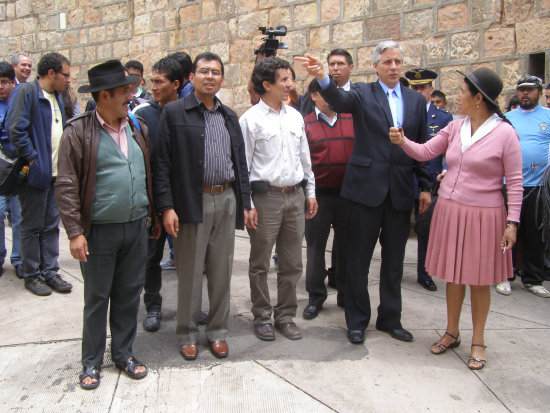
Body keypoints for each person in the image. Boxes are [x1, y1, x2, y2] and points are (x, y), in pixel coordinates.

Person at [297, 40, 432, 345]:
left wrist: (425, 185)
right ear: (375, 66)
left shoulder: (414, 101)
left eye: (398, 61)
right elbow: (337, 100)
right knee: (358, 259)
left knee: (395, 259)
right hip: (365, 191)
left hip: (398, 190)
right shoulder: (361, 94)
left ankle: (390, 318)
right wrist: (322, 78)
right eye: (387, 62)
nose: (394, 67)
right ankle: (357, 320)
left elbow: (421, 144)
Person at [389, 67, 523, 370]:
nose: (457, 97)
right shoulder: (455, 127)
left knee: (479, 281)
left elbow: (514, 183)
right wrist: (402, 142)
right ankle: (452, 331)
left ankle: (478, 340)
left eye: (463, 92)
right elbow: (424, 152)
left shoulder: (505, 133)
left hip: (484, 216)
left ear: (478, 98)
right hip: (450, 210)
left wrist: (512, 223)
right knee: (453, 276)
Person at [56, 60, 159, 390]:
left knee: (129, 294)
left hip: (135, 227)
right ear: (103, 97)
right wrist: (74, 232)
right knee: (98, 297)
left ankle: (124, 353)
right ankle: (91, 361)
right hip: (99, 231)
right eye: (123, 92)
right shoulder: (78, 132)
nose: (131, 96)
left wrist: (152, 215)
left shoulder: (136, 127)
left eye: (130, 90)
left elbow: (148, 175)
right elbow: (67, 184)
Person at [154, 52, 251, 361]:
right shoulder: (174, 113)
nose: (210, 76)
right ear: (192, 78)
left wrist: (245, 202)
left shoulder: (229, 116)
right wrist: (166, 206)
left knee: (221, 270)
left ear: (223, 79)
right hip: (190, 201)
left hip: (226, 198)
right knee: (191, 273)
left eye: (216, 72)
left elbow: (241, 163)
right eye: (204, 71)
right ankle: (186, 333)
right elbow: (161, 164)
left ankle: (218, 331)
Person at [240, 56, 317, 342]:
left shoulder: (295, 116)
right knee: (259, 263)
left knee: (292, 263)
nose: (290, 85)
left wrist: (310, 192)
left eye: (290, 79)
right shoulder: (250, 120)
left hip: (295, 196)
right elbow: (243, 167)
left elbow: (305, 160)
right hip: (265, 200)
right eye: (284, 80)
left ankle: (285, 316)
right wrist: (246, 205)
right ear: (266, 84)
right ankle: (261, 316)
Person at [5, 52, 73, 296]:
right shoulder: (26, 92)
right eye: (65, 74)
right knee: (32, 226)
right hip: (36, 174)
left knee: (51, 225)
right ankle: (32, 273)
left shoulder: (57, 97)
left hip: (56, 175)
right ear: (51, 73)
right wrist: (33, 159)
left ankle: (50, 270)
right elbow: (15, 129)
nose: (68, 79)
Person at [133, 57, 182, 332]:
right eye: (151, 81)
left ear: (175, 84)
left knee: (188, 257)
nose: (153, 87)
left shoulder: (188, 111)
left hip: (182, 201)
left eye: (159, 82)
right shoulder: (142, 114)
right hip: (153, 202)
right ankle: (152, 305)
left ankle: (190, 305)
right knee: (152, 256)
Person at [302, 78, 353, 319]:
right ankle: (315, 296)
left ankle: (344, 291)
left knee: (345, 247)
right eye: (325, 93)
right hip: (318, 196)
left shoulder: (351, 119)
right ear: (313, 95)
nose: (332, 97)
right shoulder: (305, 124)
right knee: (315, 248)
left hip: (348, 196)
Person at [499, 75, 550, 298]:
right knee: (508, 230)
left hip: (537, 185)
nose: (525, 94)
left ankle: (533, 278)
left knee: (534, 232)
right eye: (522, 90)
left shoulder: (548, 117)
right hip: (509, 184)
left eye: (530, 90)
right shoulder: (507, 118)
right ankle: (505, 275)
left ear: (539, 92)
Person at [405, 68, 453, 292]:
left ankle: (424, 271)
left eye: (422, 88)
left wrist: (445, 170)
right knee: (397, 227)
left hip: (430, 180)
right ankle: (392, 266)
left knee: (425, 228)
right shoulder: (401, 112)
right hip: (404, 178)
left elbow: (450, 150)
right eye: (414, 87)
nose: (417, 91)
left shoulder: (443, 117)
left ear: (431, 90)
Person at [0, 61, 23, 278]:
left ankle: (18, 259)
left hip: (15, 167)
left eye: (5, 82)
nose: (1, 86)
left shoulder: (19, 102)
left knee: (18, 215)